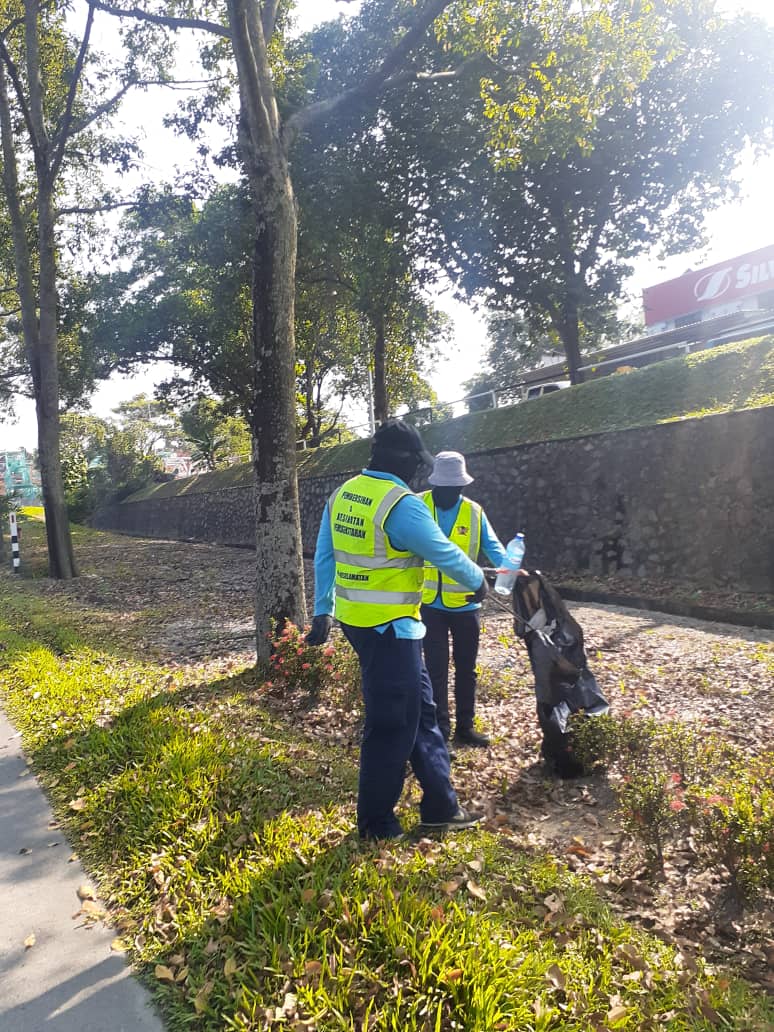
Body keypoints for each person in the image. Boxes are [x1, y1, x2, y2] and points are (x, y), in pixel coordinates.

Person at [305, 419, 487, 840]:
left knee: (421, 714)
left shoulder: (343, 494)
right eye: (417, 465)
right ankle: (376, 823)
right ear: (404, 462)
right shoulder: (400, 504)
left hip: (361, 624)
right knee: (390, 725)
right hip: (389, 629)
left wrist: (323, 611)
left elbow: (324, 556)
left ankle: (441, 806)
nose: (420, 474)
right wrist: (478, 580)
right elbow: (443, 552)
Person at [419, 451, 506, 748]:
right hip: (429, 604)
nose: (449, 493)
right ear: (435, 485)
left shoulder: (473, 512)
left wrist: (510, 572)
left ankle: (465, 727)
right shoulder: (419, 505)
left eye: (455, 488)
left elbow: (494, 549)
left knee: (466, 668)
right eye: (444, 488)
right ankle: (440, 731)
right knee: (435, 669)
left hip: (467, 605)